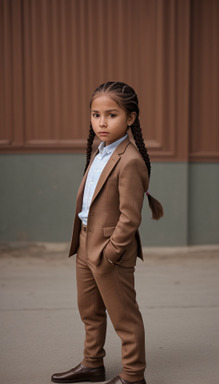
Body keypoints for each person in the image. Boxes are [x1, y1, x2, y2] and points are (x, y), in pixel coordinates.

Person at [51, 81, 163, 384]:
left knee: (125, 317)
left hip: (110, 250)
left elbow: (130, 216)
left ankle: (133, 375)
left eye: (111, 115)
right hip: (86, 243)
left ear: (130, 118)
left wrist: (112, 251)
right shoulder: (99, 152)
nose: (101, 122)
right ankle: (92, 364)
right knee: (89, 311)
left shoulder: (130, 160)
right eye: (96, 114)